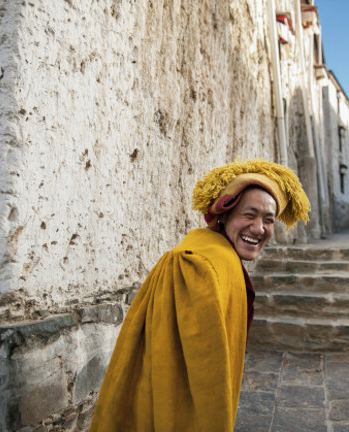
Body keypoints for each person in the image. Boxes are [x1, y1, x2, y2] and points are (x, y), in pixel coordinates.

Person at [90, 159, 310, 432]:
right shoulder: (200, 265)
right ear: (224, 214)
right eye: (249, 215)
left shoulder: (215, 254)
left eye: (268, 220)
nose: (259, 228)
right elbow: (206, 372)